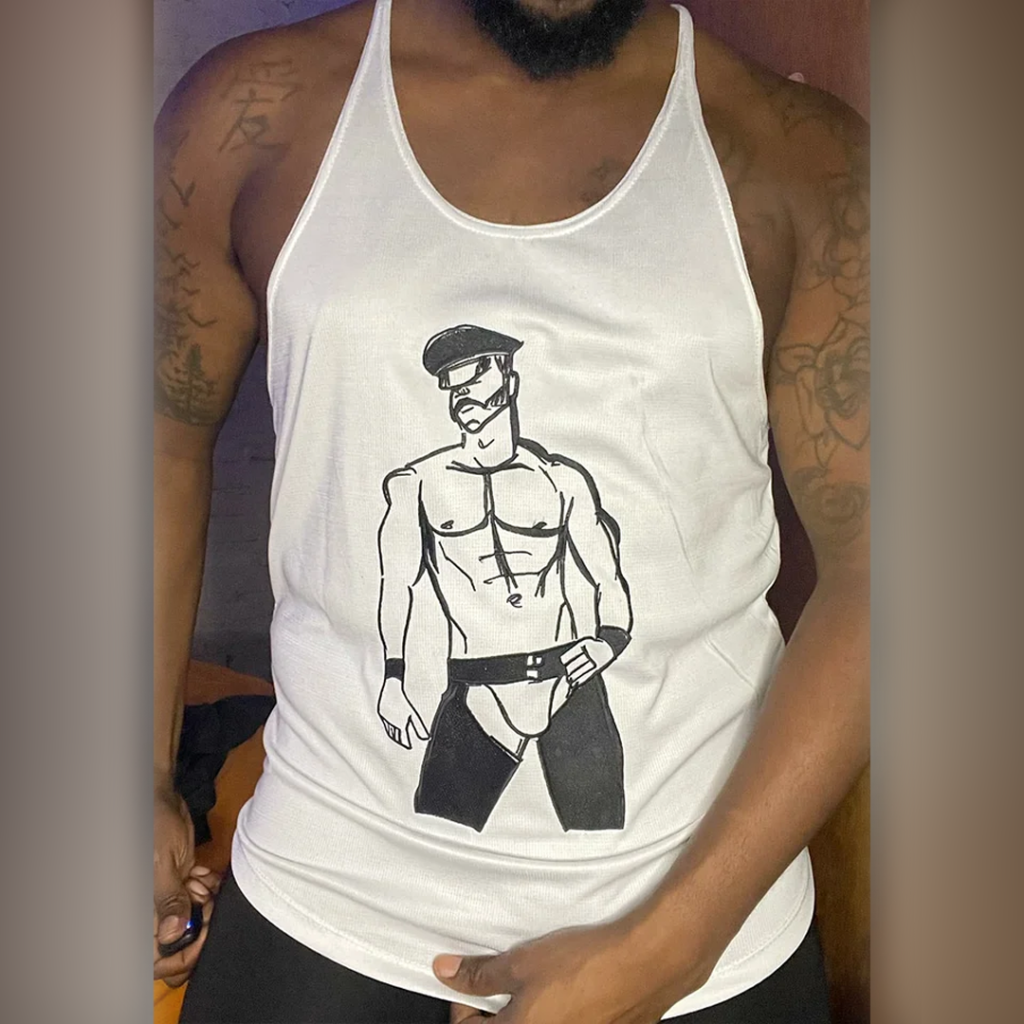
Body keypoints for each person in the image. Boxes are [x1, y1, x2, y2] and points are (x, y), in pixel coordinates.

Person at [153, 1, 869, 1022]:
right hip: (336, 883)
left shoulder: (802, 157)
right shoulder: (252, 115)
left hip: (696, 918)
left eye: (486, 376)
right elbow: (159, 448)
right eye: (458, 384)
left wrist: (672, 946)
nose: (472, 395)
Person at [377, 324, 633, 831]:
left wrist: (610, 640)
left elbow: (608, 576)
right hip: (480, 687)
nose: (462, 392)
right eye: (451, 383)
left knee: (600, 830)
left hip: (567, 681)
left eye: (474, 375)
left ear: (509, 381)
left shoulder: (562, 480)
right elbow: (396, 585)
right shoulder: (416, 485)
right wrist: (392, 678)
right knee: (439, 829)